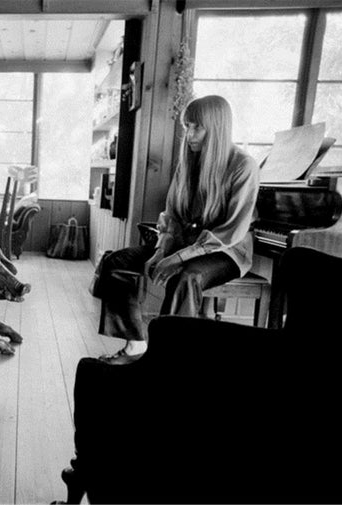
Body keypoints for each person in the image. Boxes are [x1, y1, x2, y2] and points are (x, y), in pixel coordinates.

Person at [95, 95, 259, 364]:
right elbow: (171, 215)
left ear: (216, 127)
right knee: (116, 261)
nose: (189, 135)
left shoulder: (244, 166)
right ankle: (136, 344)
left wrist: (179, 258)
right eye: (187, 127)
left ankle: (169, 360)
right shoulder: (189, 163)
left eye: (196, 127)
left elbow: (231, 231)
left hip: (227, 251)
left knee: (188, 277)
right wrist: (161, 251)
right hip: (186, 244)